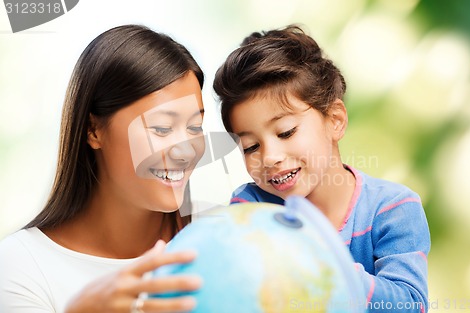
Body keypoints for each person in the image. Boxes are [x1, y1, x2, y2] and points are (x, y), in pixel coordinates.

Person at [213, 25, 431, 312]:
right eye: (250, 147)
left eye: (286, 132)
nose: (269, 157)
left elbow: (410, 304)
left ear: (335, 119)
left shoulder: (393, 208)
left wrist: (322, 264)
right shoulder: (251, 207)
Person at [0, 24, 206, 313]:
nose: (186, 151)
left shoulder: (223, 232)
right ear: (94, 130)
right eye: (161, 128)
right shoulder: (22, 265)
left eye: (195, 127)